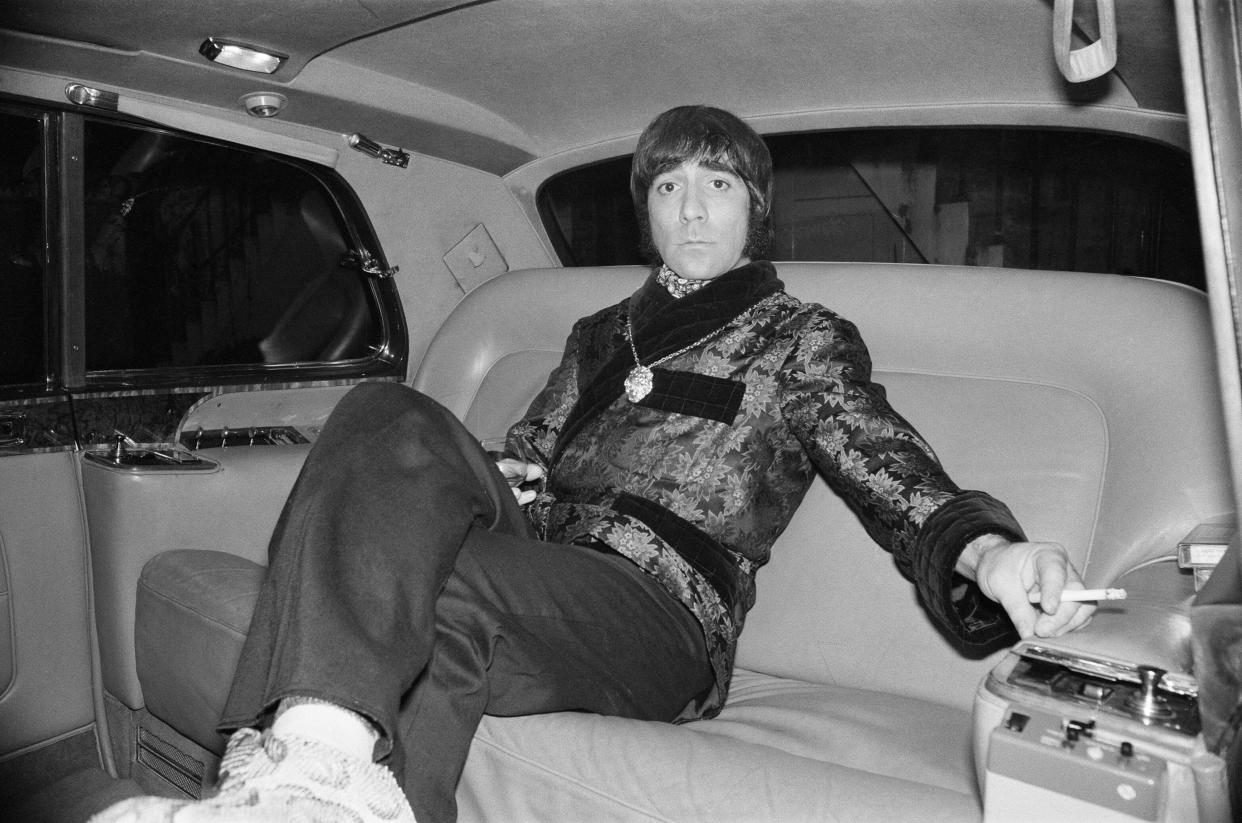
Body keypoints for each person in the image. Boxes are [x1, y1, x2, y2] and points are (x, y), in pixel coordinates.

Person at [93, 105, 1094, 823]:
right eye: (669, 187)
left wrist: (985, 553)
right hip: (537, 563)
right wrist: (391, 493)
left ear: (756, 211)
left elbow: (882, 457)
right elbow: (522, 464)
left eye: (719, 185)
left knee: (433, 585)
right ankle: (320, 790)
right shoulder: (597, 334)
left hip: (659, 608)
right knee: (383, 417)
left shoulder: (798, 337)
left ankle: (287, 774)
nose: (693, 209)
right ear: (646, 213)